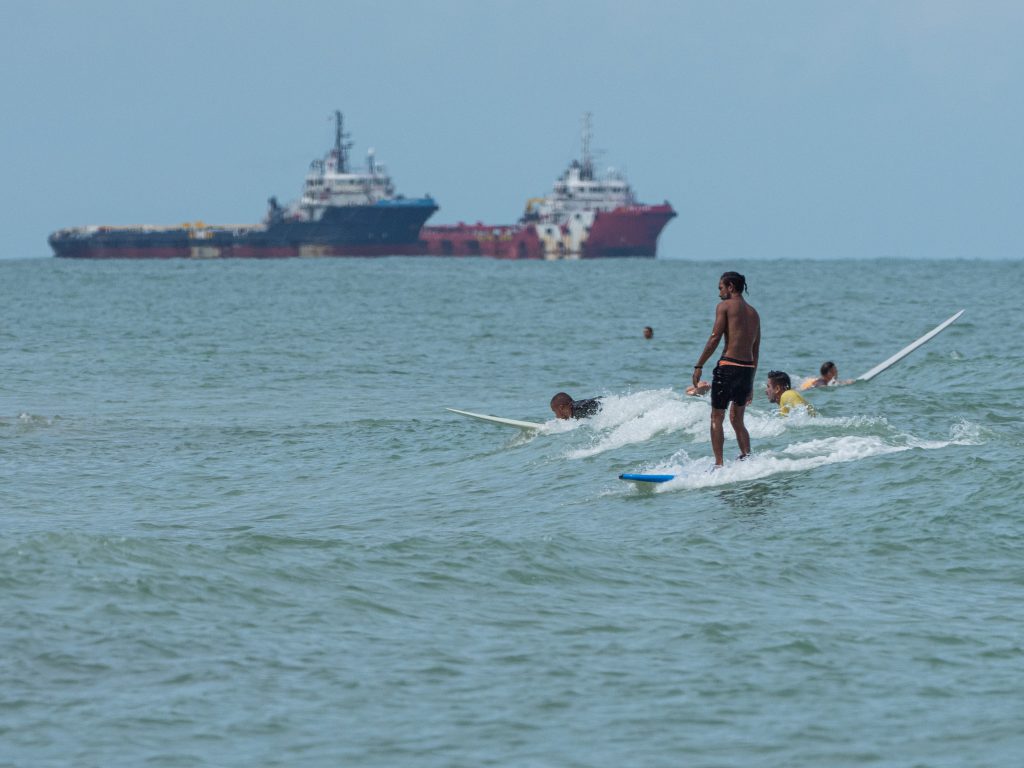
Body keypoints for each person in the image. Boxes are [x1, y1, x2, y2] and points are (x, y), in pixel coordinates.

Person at [691, 271, 760, 466]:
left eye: (720, 288)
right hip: (747, 370)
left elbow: (714, 338)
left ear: (730, 287)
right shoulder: (754, 313)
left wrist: (699, 365)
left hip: (728, 367)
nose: (719, 293)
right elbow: (756, 350)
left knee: (716, 416)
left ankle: (719, 464)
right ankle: (747, 457)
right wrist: (751, 383)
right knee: (737, 419)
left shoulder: (724, 307)